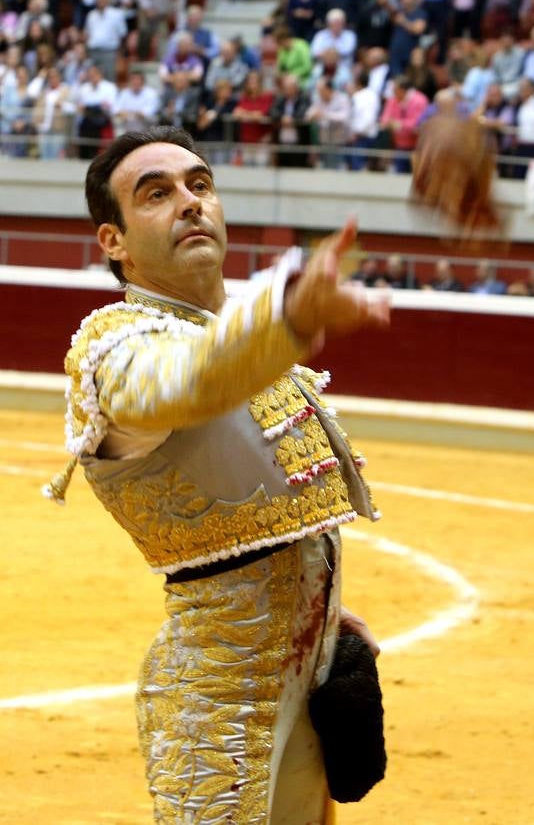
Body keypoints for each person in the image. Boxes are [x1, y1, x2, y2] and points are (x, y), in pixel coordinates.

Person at [44, 124, 387, 822]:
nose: (191, 202)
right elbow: (176, 387)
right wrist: (286, 314)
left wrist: (318, 611)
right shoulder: (114, 347)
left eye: (200, 185)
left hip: (302, 668)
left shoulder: (230, 336)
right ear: (112, 241)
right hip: (217, 695)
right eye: (157, 194)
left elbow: (259, 518)